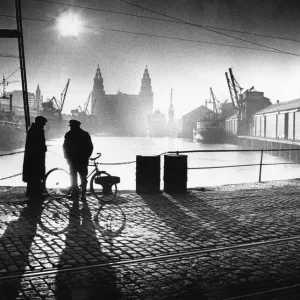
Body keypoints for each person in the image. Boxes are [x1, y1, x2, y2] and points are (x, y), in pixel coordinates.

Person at [63, 119, 93, 199]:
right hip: (83, 160)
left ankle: (75, 193)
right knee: (83, 177)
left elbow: (65, 147)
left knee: (73, 177)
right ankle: (83, 194)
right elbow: (90, 147)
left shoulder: (68, 135)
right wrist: (87, 157)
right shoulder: (85, 134)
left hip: (73, 160)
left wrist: (67, 158)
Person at [22, 116, 48, 199]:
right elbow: (39, 144)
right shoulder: (38, 131)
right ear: (40, 123)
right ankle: (37, 193)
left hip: (32, 157)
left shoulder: (32, 130)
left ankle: (32, 192)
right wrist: (44, 148)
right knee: (36, 175)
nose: (44, 125)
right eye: (43, 123)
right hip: (36, 157)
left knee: (32, 176)